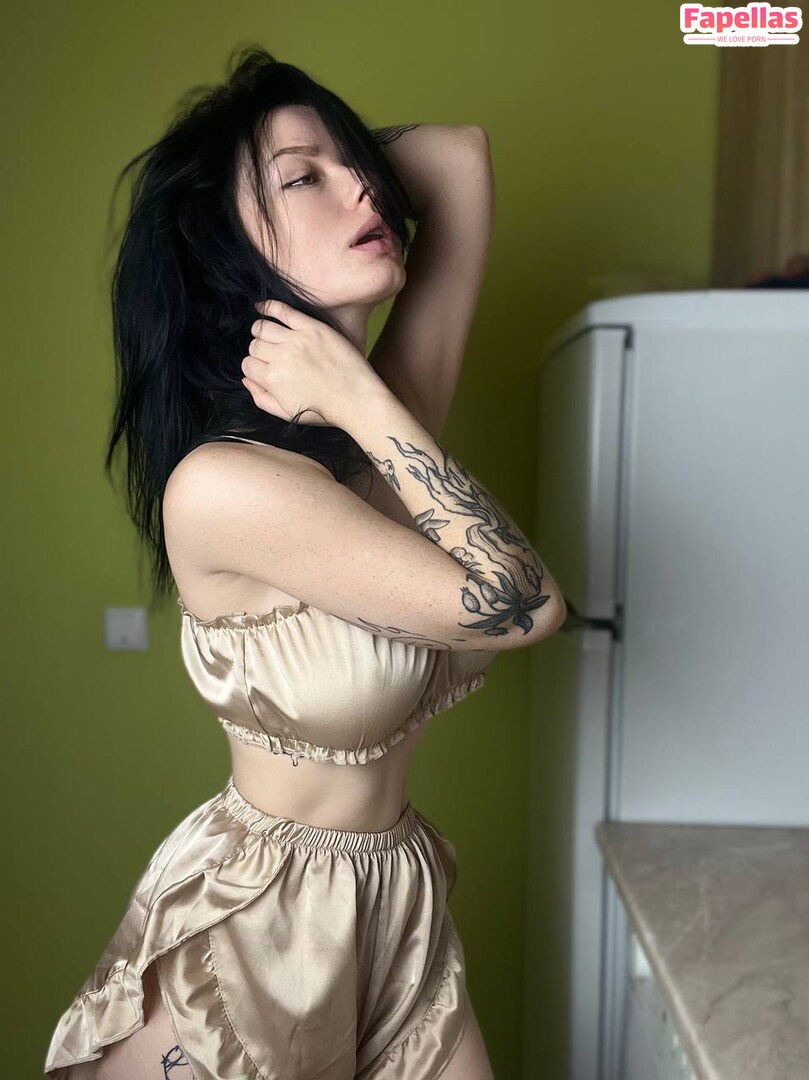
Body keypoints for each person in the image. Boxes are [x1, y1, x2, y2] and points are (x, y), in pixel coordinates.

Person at [44, 45, 566, 1080]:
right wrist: (363, 396)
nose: (364, 186)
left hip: (396, 898)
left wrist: (357, 393)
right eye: (302, 180)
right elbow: (521, 604)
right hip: (258, 926)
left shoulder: (375, 437)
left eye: (355, 162)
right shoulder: (225, 485)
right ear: (224, 250)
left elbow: (457, 158)